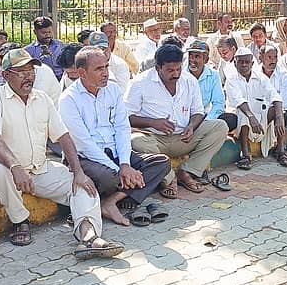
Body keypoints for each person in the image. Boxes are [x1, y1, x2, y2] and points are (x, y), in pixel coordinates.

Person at [0, 48, 123, 257]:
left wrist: (78, 172)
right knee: (1, 173)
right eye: (22, 72)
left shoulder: (42, 99)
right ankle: (20, 222)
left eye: (31, 71)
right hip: (5, 170)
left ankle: (88, 236)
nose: (28, 77)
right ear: (6, 75)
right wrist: (15, 167)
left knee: (84, 185)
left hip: (39, 169)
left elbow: (63, 136)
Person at [58, 47, 170, 227]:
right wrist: (119, 170)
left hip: (115, 153)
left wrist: (125, 164)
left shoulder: (113, 90)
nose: (105, 73)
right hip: (86, 157)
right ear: (82, 73)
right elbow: (84, 144)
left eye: (106, 67)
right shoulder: (68, 99)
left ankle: (111, 201)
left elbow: (122, 128)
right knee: (110, 178)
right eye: (99, 69)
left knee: (161, 163)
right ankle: (126, 197)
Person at [127, 45, 228, 199]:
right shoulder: (140, 83)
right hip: (154, 140)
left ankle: (187, 171)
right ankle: (169, 179)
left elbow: (198, 112)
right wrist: (154, 123)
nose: (175, 74)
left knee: (220, 127)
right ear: (158, 67)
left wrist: (191, 126)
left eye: (178, 69)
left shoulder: (189, 80)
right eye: (170, 70)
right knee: (135, 141)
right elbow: (126, 117)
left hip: (183, 138)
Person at [225, 48, 287, 169]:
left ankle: (281, 151)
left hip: (260, 121)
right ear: (235, 63)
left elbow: (274, 95)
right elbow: (239, 101)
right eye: (241, 62)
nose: (244, 65)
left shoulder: (261, 78)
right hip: (241, 123)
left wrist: (280, 117)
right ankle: (245, 154)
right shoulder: (231, 79)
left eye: (247, 62)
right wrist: (251, 117)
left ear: (252, 63)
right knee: (242, 113)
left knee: (277, 110)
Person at [185, 40, 234, 130]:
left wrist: (207, 121)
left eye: (197, 57)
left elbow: (218, 103)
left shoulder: (213, 75)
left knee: (230, 119)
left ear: (206, 60)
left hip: (204, 117)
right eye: (190, 56)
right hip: (185, 117)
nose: (192, 60)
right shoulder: (181, 75)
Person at [26, 16, 65, 80]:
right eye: (43, 33)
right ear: (35, 32)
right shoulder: (29, 50)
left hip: (61, 80)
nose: (47, 35)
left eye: (49, 32)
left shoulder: (60, 45)